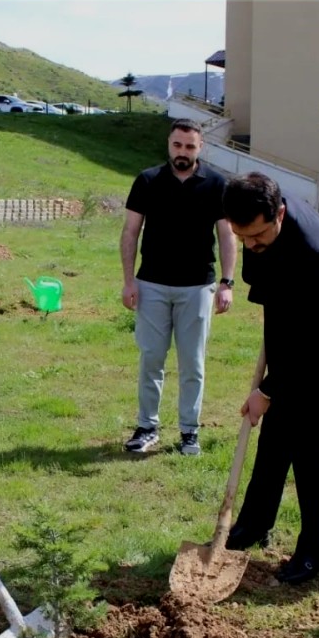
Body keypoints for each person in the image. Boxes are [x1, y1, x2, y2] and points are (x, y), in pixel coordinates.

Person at [220, 172, 319, 585]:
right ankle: (254, 523)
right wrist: (271, 380)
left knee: (309, 448)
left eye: (258, 237)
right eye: (241, 237)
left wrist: (267, 390)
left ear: (280, 213)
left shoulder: (315, 253)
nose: (251, 246)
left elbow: (312, 343)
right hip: (295, 334)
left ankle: (314, 550)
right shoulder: (257, 225)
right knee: (276, 436)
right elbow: (275, 304)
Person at [120, 117, 237, 456]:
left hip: (198, 288)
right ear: (169, 145)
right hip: (151, 285)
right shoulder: (147, 180)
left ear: (200, 148)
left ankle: (189, 432)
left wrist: (227, 283)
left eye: (189, 146)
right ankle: (147, 427)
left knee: (192, 364)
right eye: (177, 145)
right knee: (151, 359)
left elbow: (227, 235)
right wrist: (129, 281)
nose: (182, 152)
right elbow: (130, 233)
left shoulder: (217, 184)